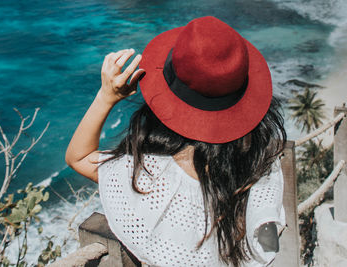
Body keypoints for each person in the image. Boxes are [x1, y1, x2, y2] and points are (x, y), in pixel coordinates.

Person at [66, 16, 287, 267]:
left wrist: (106, 96)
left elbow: (79, 157)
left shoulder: (149, 177)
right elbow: (268, 243)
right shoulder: (261, 165)